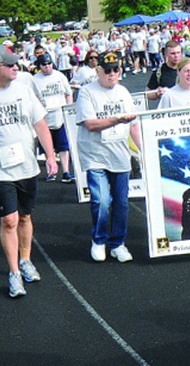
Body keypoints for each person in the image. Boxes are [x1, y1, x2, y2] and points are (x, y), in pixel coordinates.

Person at [0, 47, 58, 298]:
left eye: (16, 64)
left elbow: (40, 124)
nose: (16, 68)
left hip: (26, 166)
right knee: (9, 220)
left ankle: (25, 259)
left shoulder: (24, 91)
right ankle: (14, 272)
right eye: (10, 65)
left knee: (25, 217)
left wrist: (50, 155)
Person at [76, 51, 142, 263]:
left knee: (121, 202)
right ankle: (99, 239)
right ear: (98, 71)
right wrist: (116, 119)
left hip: (119, 155)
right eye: (107, 70)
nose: (112, 74)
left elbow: (133, 125)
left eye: (116, 70)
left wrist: (143, 150)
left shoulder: (123, 92)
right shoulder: (87, 92)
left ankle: (118, 243)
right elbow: (90, 124)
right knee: (102, 200)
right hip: (95, 154)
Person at [32, 53, 75, 183]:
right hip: (44, 116)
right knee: (47, 146)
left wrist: (69, 109)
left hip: (60, 113)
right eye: (44, 65)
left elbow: (68, 93)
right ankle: (51, 171)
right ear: (39, 66)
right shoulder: (35, 80)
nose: (47, 67)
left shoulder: (59, 76)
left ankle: (66, 171)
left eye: (49, 64)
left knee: (63, 145)